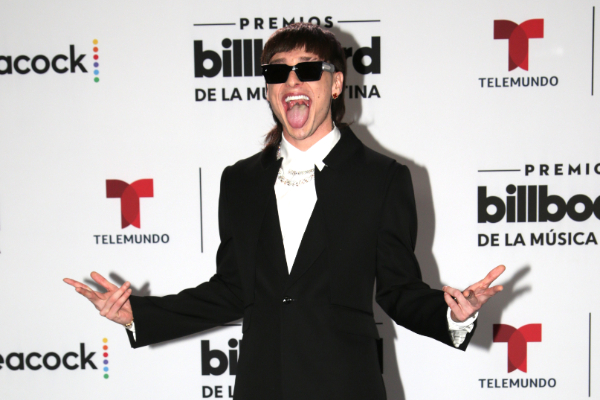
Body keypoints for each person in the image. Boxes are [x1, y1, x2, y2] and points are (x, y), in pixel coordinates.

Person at [64, 23, 505, 400]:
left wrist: (453, 314)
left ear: (335, 84)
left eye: (308, 69)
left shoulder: (382, 178)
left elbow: (397, 290)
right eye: (278, 72)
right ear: (270, 88)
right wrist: (138, 316)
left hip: (346, 385)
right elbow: (232, 290)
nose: (292, 82)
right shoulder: (240, 181)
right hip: (261, 384)